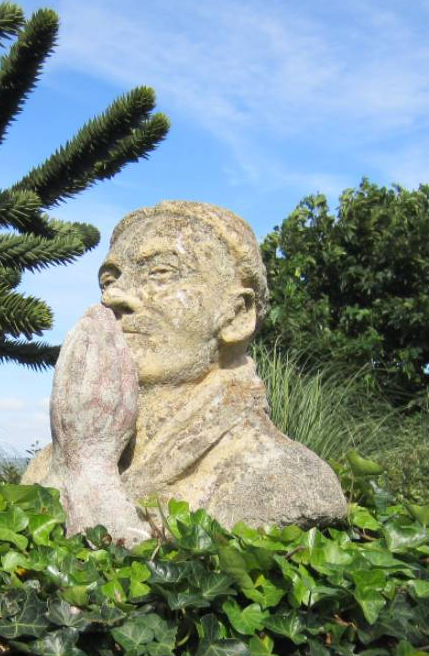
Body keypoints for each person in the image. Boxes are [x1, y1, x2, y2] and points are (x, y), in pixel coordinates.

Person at [23, 201, 346, 540]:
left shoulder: (282, 480)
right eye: (108, 280)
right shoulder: (48, 466)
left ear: (238, 316)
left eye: (160, 273)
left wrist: (89, 477)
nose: (114, 296)